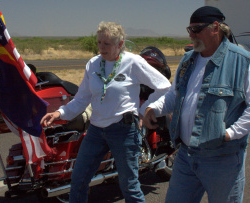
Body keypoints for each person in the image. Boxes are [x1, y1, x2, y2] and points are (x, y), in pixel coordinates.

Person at [143, 6, 250, 203]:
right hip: (185, 155)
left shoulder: (242, 62)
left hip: (222, 159)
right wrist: (154, 108)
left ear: (215, 28)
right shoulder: (188, 60)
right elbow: (174, 95)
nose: (192, 35)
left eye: (197, 29)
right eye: (189, 30)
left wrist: (231, 133)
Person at [40, 21, 171, 203]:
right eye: (99, 42)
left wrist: (145, 109)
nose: (101, 48)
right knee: (78, 180)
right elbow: (81, 98)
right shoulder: (93, 64)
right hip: (96, 131)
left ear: (119, 44)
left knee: (129, 186)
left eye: (107, 44)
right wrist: (59, 114)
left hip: (124, 130)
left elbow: (164, 86)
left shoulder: (132, 62)